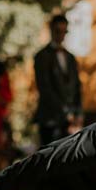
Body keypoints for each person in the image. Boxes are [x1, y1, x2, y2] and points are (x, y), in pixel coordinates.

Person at [33, 14, 83, 146]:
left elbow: (77, 86)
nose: (61, 35)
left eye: (64, 31)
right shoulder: (41, 56)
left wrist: (78, 113)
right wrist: (65, 112)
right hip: (50, 118)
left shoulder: (70, 58)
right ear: (51, 30)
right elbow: (45, 88)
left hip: (69, 121)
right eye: (58, 31)